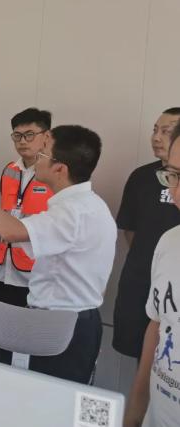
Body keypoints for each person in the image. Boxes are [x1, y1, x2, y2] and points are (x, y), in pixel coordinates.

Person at [0, 125, 116, 384]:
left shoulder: (71, 212)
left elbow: (10, 231)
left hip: (61, 326)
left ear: (60, 169)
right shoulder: (92, 206)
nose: (36, 157)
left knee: (47, 396)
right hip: (75, 320)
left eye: (43, 153)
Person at [124, 122, 180, 427]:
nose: (176, 194)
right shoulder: (169, 242)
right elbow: (158, 326)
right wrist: (135, 410)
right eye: (174, 175)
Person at [113, 108, 180, 362]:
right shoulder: (141, 176)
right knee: (142, 352)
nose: (156, 137)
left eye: (167, 131)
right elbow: (130, 230)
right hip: (141, 280)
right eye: (155, 130)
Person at [0, 108, 53, 365]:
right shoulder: (9, 170)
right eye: (17, 135)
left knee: (31, 349)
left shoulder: (55, 174)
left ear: (46, 136)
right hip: (3, 270)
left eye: (29, 134)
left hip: (35, 278)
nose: (22, 141)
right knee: (3, 341)